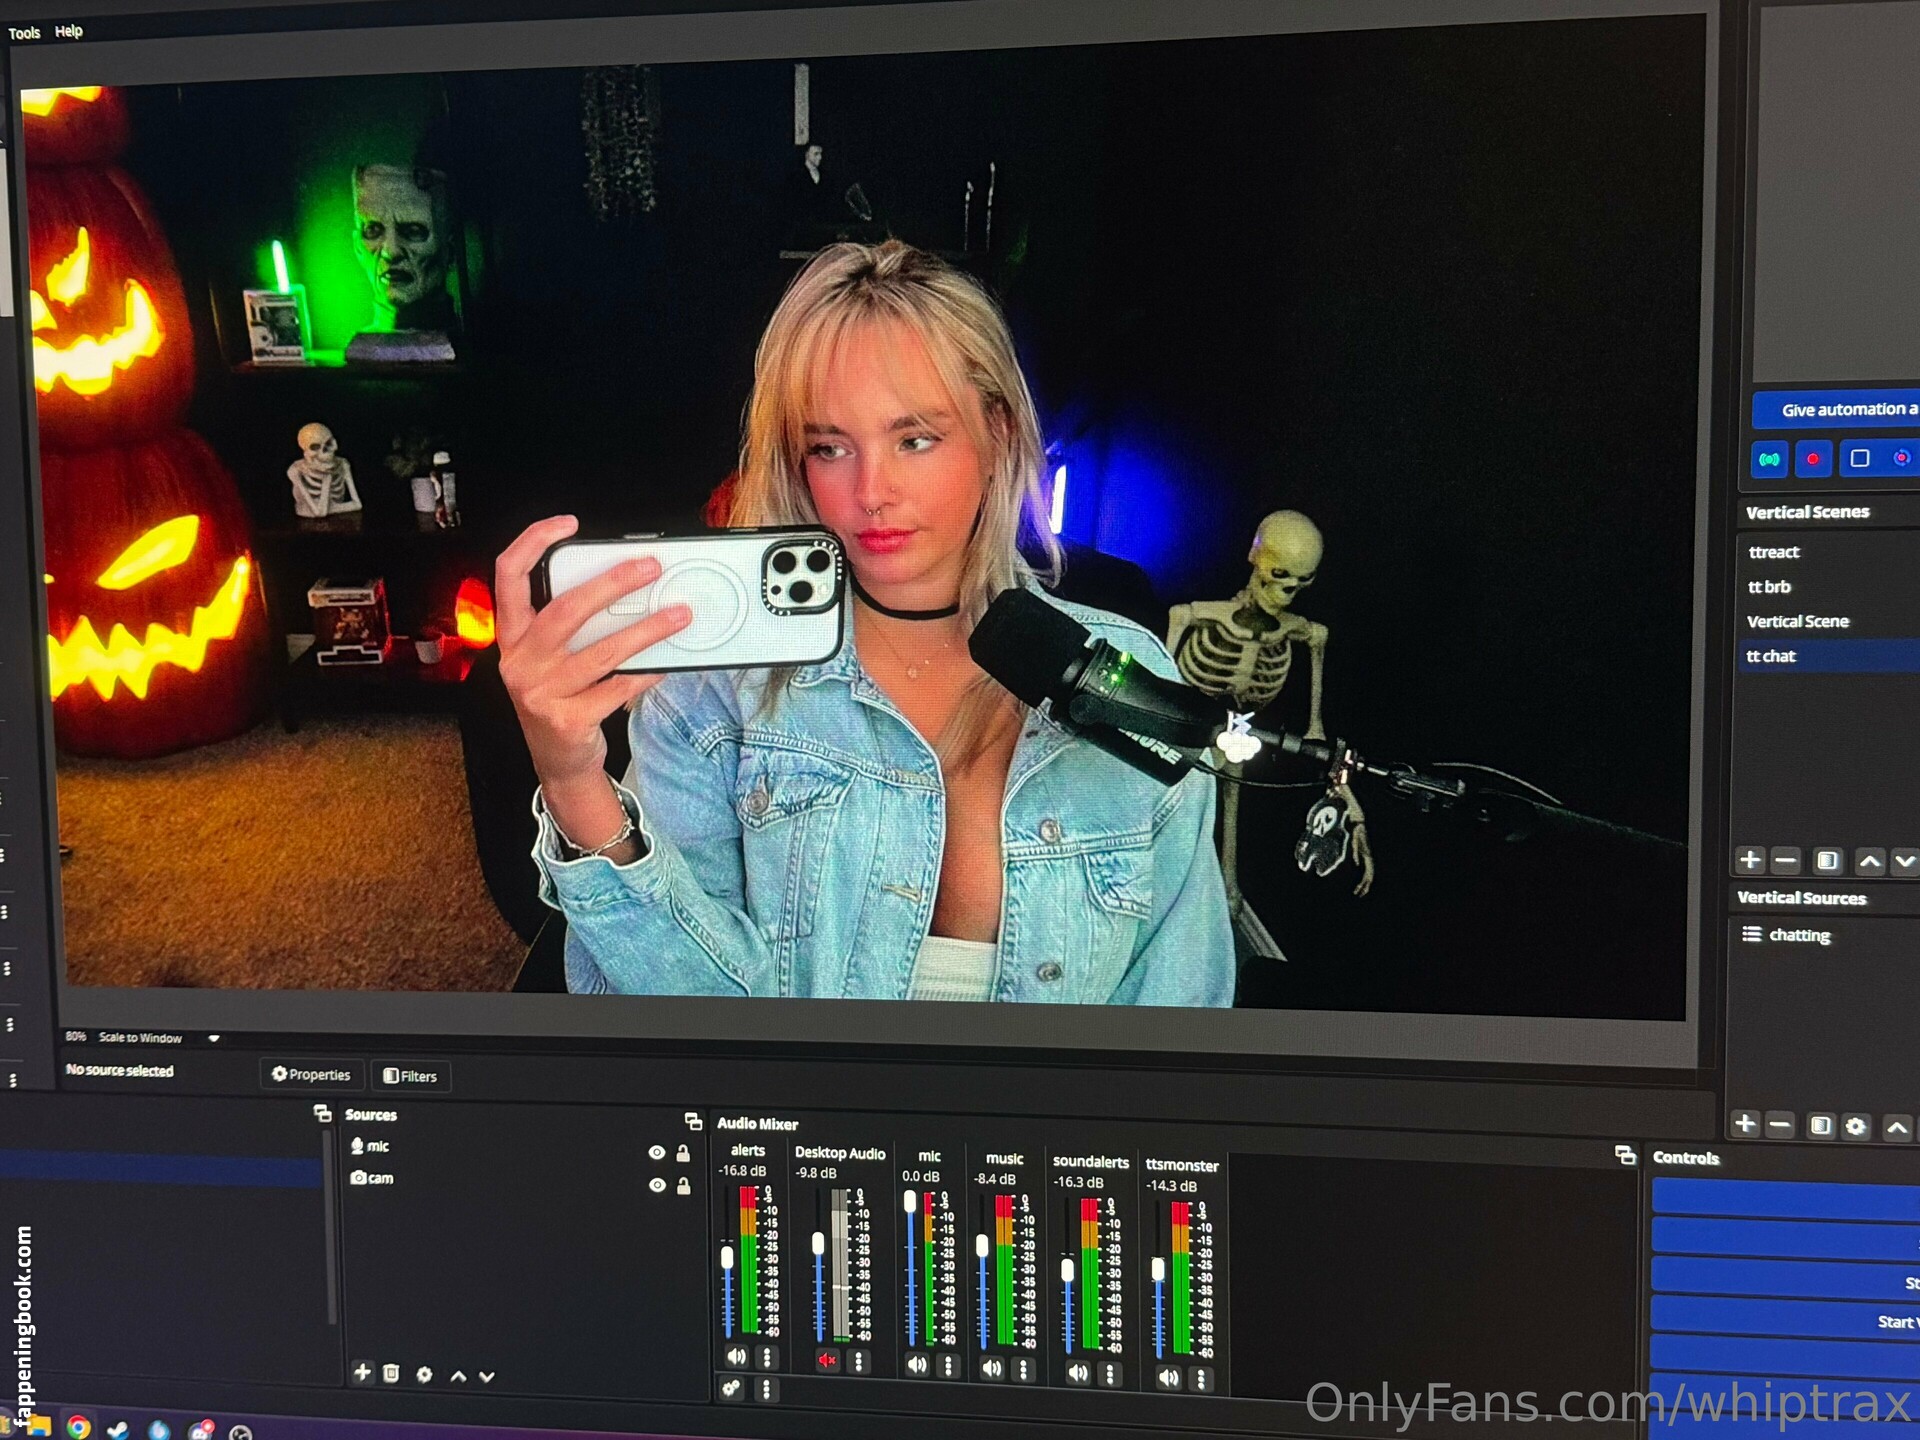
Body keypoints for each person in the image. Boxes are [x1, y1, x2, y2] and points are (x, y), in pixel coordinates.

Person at [495, 240, 1233, 1004]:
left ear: (998, 434)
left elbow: (1179, 1006)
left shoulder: (1125, 673)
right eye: (830, 447)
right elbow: (673, 1023)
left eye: (915, 439)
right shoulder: (714, 690)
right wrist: (572, 782)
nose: (872, 491)